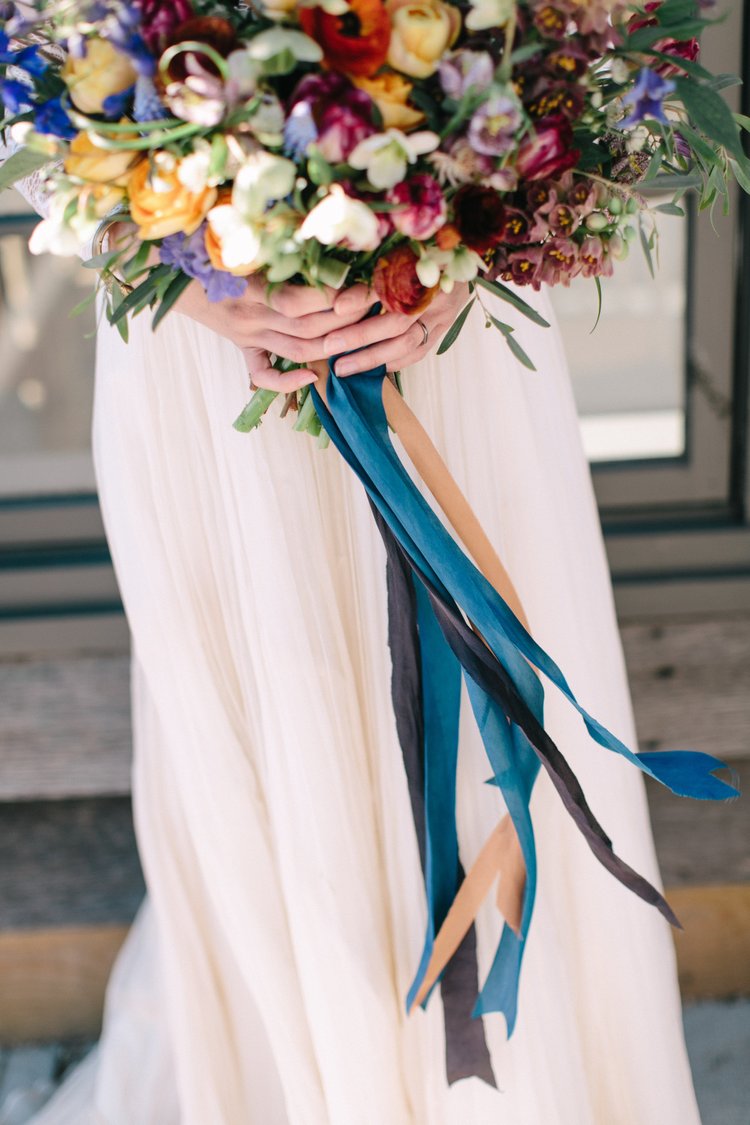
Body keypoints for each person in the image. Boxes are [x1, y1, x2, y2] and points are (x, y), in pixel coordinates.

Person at [3, 144, 702, 1124]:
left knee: (486, 743)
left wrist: (481, 241)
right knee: (272, 747)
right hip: (203, 347)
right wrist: (169, 264)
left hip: (446, 323)